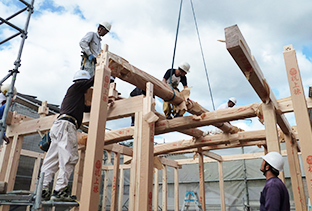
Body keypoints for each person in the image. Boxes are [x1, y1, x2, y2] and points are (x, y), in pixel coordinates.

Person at [41, 70, 94, 201]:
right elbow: (93, 80)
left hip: (59, 126)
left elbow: (85, 109)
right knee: (70, 157)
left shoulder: (75, 96)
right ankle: (59, 190)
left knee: (52, 159)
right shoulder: (77, 86)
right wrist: (107, 72)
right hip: (67, 126)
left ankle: (42, 189)